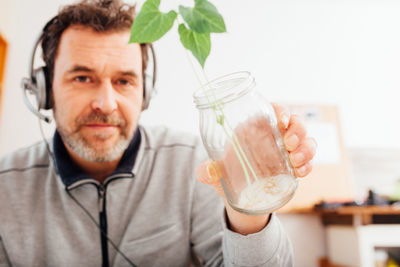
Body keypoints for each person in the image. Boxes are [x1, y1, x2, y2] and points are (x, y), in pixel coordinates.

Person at [0, 0, 317, 266]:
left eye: (124, 81)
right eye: (82, 78)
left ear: (145, 92)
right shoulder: (4, 188)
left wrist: (246, 209)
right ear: (44, 90)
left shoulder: (198, 165)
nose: (106, 103)